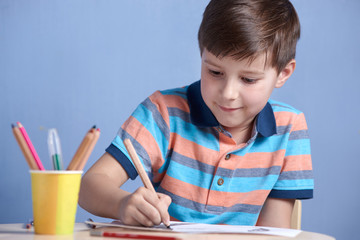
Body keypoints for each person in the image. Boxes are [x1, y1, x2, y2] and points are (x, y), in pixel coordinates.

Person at [78, 0, 314, 228]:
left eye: (248, 79)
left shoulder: (289, 127)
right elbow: (88, 187)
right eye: (214, 72)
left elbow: (274, 231)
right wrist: (122, 204)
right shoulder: (163, 112)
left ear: (283, 73)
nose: (228, 93)